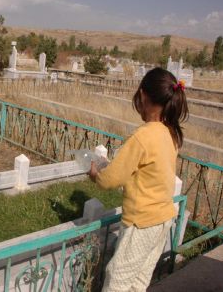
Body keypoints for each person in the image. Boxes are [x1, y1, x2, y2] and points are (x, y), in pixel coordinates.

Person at [89, 67, 189, 292]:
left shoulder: (143, 136)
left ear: (143, 95)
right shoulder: (170, 132)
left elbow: (109, 180)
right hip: (163, 220)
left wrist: (96, 173)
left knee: (117, 281)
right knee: (138, 281)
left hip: (142, 223)